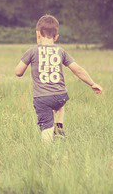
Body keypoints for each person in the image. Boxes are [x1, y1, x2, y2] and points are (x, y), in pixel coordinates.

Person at [15, 14, 103, 143]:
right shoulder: (61, 51)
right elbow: (77, 70)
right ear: (56, 37)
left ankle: (47, 150)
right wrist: (92, 83)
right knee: (59, 103)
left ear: (38, 34)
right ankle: (59, 125)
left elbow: (18, 72)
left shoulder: (32, 51)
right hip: (60, 96)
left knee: (46, 127)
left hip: (42, 98)